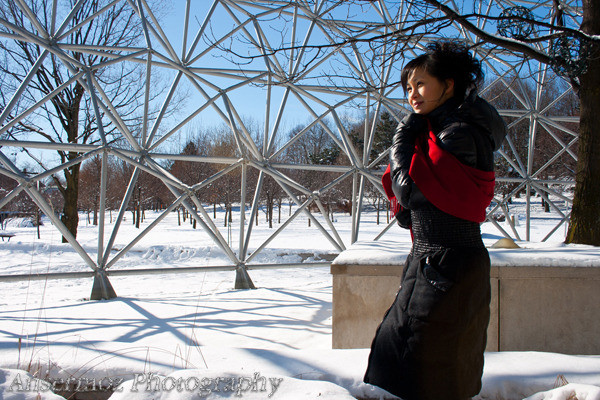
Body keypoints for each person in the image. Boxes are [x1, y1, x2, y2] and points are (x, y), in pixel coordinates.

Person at [364, 40, 507, 400]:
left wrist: (400, 141)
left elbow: (411, 192)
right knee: (403, 354)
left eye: (421, 84)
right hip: (431, 260)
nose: (413, 94)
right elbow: (413, 207)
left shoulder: (457, 133)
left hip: (449, 263)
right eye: (408, 88)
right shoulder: (436, 130)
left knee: (429, 362)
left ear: (449, 85)